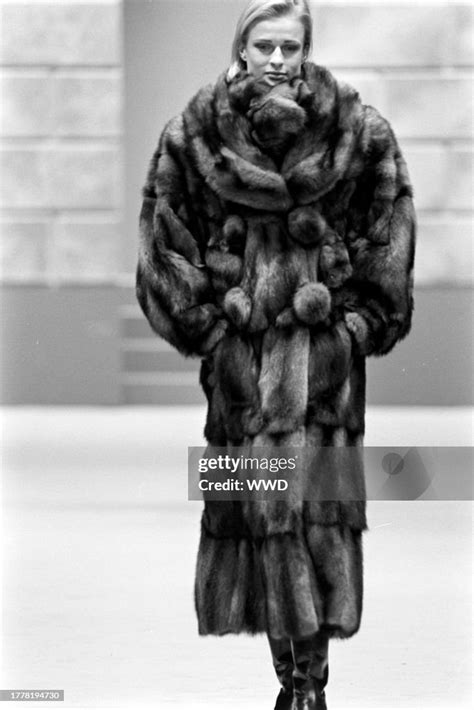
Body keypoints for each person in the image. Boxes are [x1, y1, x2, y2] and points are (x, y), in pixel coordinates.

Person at [136, 0, 416, 707]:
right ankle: (289, 676)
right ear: (242, 46)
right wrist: (210, 329)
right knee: (260, 517)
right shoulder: (195, 136)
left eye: (291, 47)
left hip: (325, 371)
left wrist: (355, 327)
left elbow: (388, 233)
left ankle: (309, 683)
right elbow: (165, 242)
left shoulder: (358, 133)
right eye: (265, 45)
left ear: (307, 49)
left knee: (319, 516)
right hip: (241, 371)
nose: (278, 60)